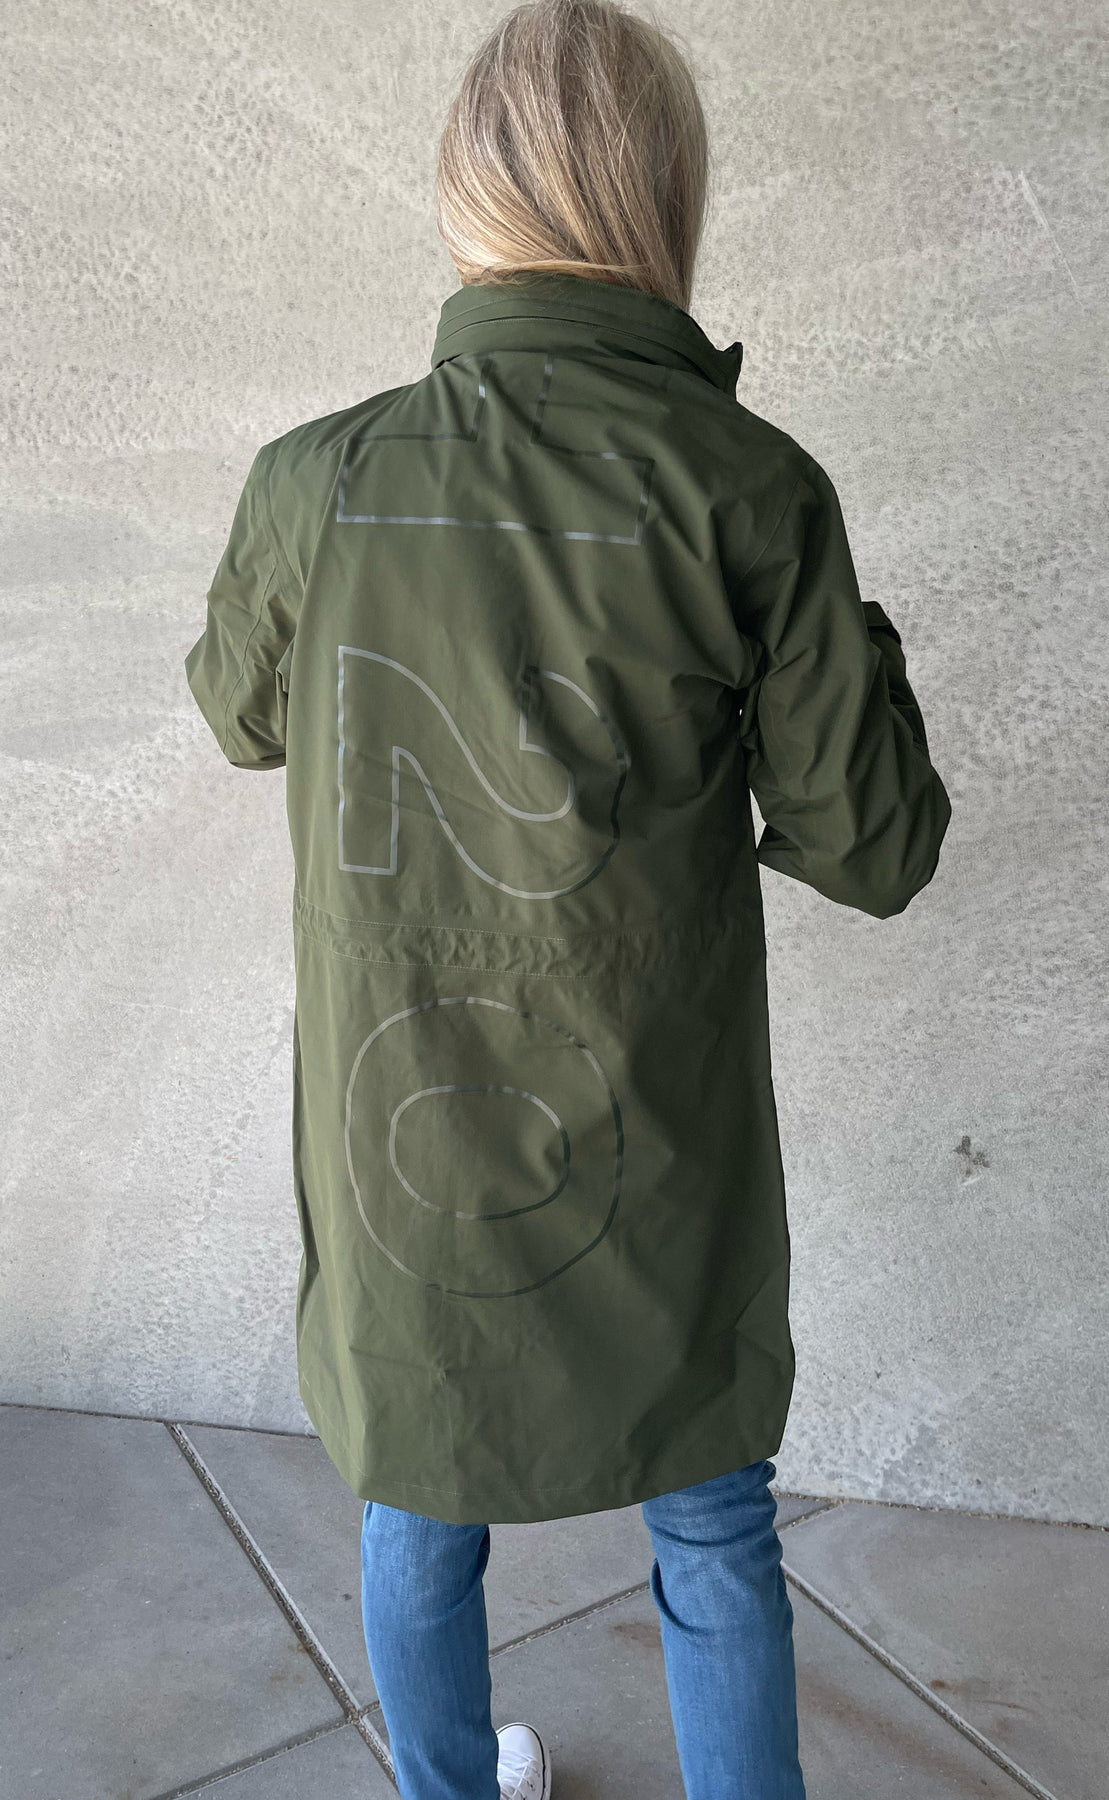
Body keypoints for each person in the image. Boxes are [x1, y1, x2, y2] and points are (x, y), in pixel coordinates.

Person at [183, 1, 951, 1795]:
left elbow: (238, 713)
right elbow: (871, 843)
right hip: (649, 1129)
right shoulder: (749, 488)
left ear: (470, 199)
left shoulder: (317, 478)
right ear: (662, 199)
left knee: (417, 1483)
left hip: (399, 1109)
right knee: (710, 1513)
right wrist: (853, 642)